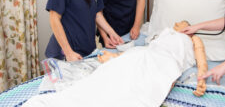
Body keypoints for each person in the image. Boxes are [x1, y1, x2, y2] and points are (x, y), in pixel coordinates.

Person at [22, 21, 207, 107]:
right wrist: (113, 57)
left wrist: (202, 80)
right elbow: (145, 49)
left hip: (166, 61)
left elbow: (201, 59)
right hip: (143, 55)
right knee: (109, 77)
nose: (178, 24)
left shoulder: (193, 39)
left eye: (183, 22)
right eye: (177, 23)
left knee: (145, 87)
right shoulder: (164, 32)